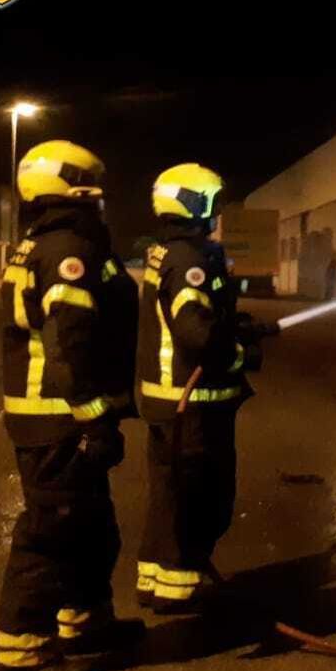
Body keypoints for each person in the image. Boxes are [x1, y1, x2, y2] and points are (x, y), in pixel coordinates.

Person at [0, 140, 142, 671]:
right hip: (58, 420)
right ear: (71, 187)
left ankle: (84, 623)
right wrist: (95, 419)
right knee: (50, 533)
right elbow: (68, 347)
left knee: (91, 528)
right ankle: (21, 651)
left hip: (62, 418)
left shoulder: (53, 243)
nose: (100, 194)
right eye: (91, 183)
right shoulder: (66, 252)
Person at [134, 163, 256, 612]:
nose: (218, 211)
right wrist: (242, 353)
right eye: (214, 202)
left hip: (168, 402)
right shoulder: (191, 259)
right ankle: (180, 588)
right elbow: (197, 334)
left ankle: (155, 578)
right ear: (197, 203)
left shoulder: (166, 252)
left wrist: (233, 325)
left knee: (168, 497)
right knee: (201, 498)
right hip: (194, 405)